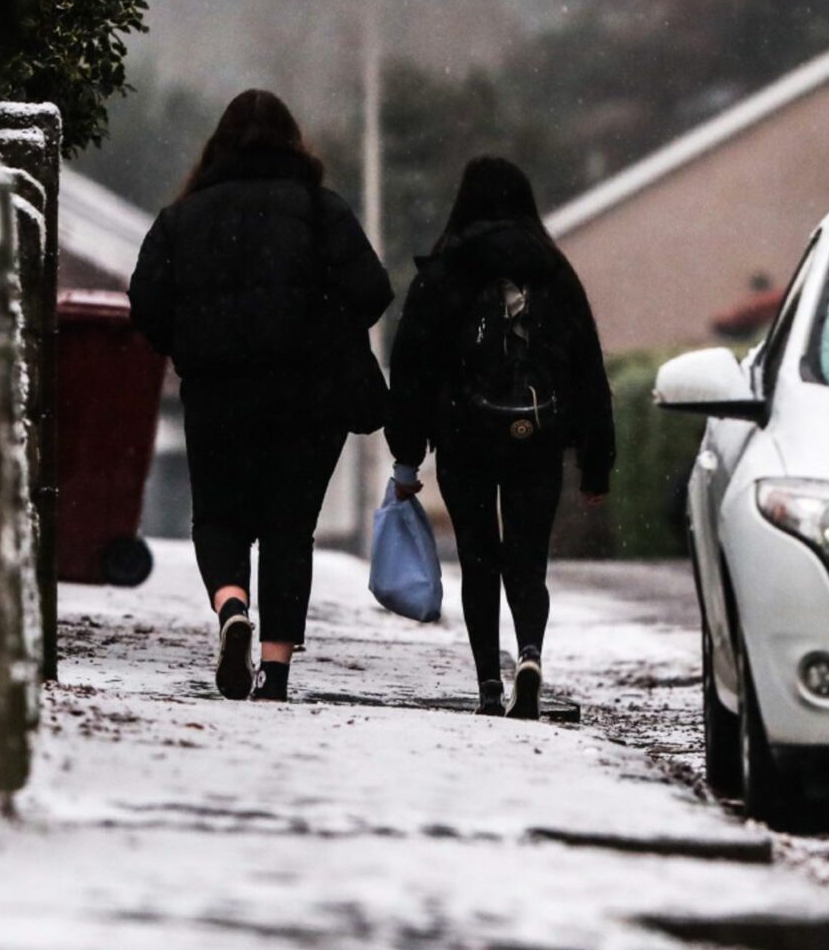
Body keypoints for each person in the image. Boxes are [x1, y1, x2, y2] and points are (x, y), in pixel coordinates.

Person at [129, 90, 393, 701]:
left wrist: (189, 342)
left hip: (218, 390)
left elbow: (146, 303)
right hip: (307, 395)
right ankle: (274, 669)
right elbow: (372, 289)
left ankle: (230, 607)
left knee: (218, 516)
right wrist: (317, 317)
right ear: (294, 144)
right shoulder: (322, 211)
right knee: (288, 527)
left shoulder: (183, 218)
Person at [386, 157, 614, 719]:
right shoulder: (553, 271)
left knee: (479, 559)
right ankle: (530, 654)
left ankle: (490, 681)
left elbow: (412, 367)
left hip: (464, 435)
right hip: (535, 435)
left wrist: (407, 455)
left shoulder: (444, 272)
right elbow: (586, 366)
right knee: (527, 559)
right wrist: (595, 460)